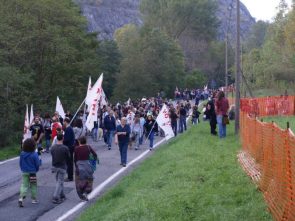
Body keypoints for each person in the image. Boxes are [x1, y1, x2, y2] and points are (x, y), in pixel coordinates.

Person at [18, 138, 41, 207]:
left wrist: (22, 168)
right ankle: (34, 199)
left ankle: (21, 197)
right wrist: (36, 169)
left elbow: (20, 163)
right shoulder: (34, 154)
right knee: (33, 185)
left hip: (24, 171)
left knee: (24, 185)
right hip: (32, 172)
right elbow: (37, 163)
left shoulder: (22, 154)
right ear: (33, 146)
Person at [74, 136, 98, 201]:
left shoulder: (76, 149)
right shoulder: (88, 147)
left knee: (78, 181)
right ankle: (86, 191)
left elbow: (75, 159)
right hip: (87, 165)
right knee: (89, 180)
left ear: (79, 141)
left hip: (79, 167)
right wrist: (93, 161)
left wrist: (76, 166)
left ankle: (81, 195)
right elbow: (95, 155)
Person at [51, 133, 70, 204]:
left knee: (59, 181)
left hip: (54, 166)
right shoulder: (65, 148)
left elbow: (52, 155)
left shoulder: (52, 148)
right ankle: (55, 197)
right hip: (62, 166)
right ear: (63, 138)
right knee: (60, 181)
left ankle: (62, 195)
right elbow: (68, 158)